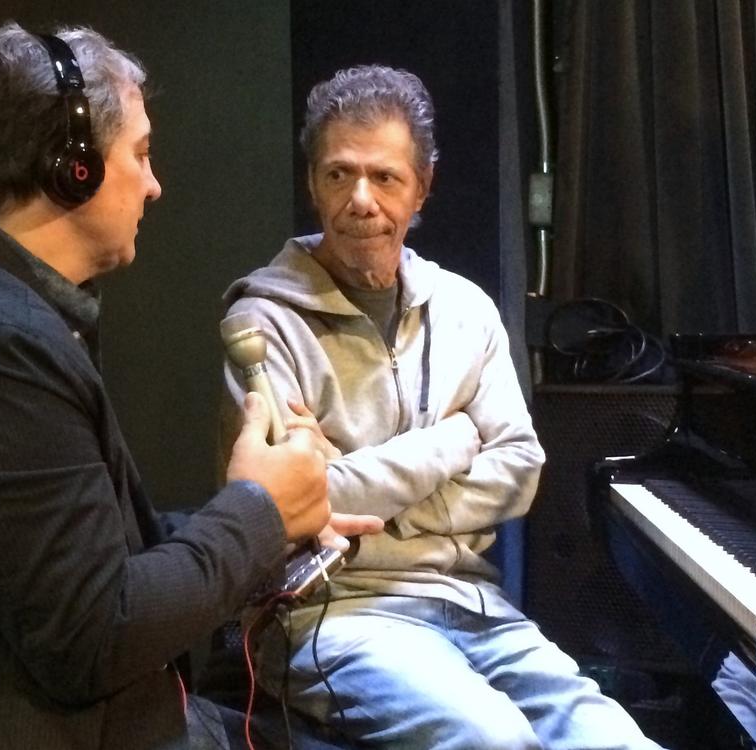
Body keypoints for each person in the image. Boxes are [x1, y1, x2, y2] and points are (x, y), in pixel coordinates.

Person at [0, 23, 381, 750]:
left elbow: (79, 552)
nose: (155, 183)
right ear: (72, 167)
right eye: (139, 153)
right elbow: (94, 636)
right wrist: (256, 510)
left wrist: (279, 526)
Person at [220, 65, 665, 750]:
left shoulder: (466, 310)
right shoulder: (261, 326)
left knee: (617, 742)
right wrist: (453, 443)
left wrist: (367, 513)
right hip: (335, 614)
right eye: (339, 174)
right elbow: (297, 503)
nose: (360, 199)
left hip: (472, 603)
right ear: (312, 182)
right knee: (492, 740)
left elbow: (520, 468)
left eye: (385, 177)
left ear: (423, 184)